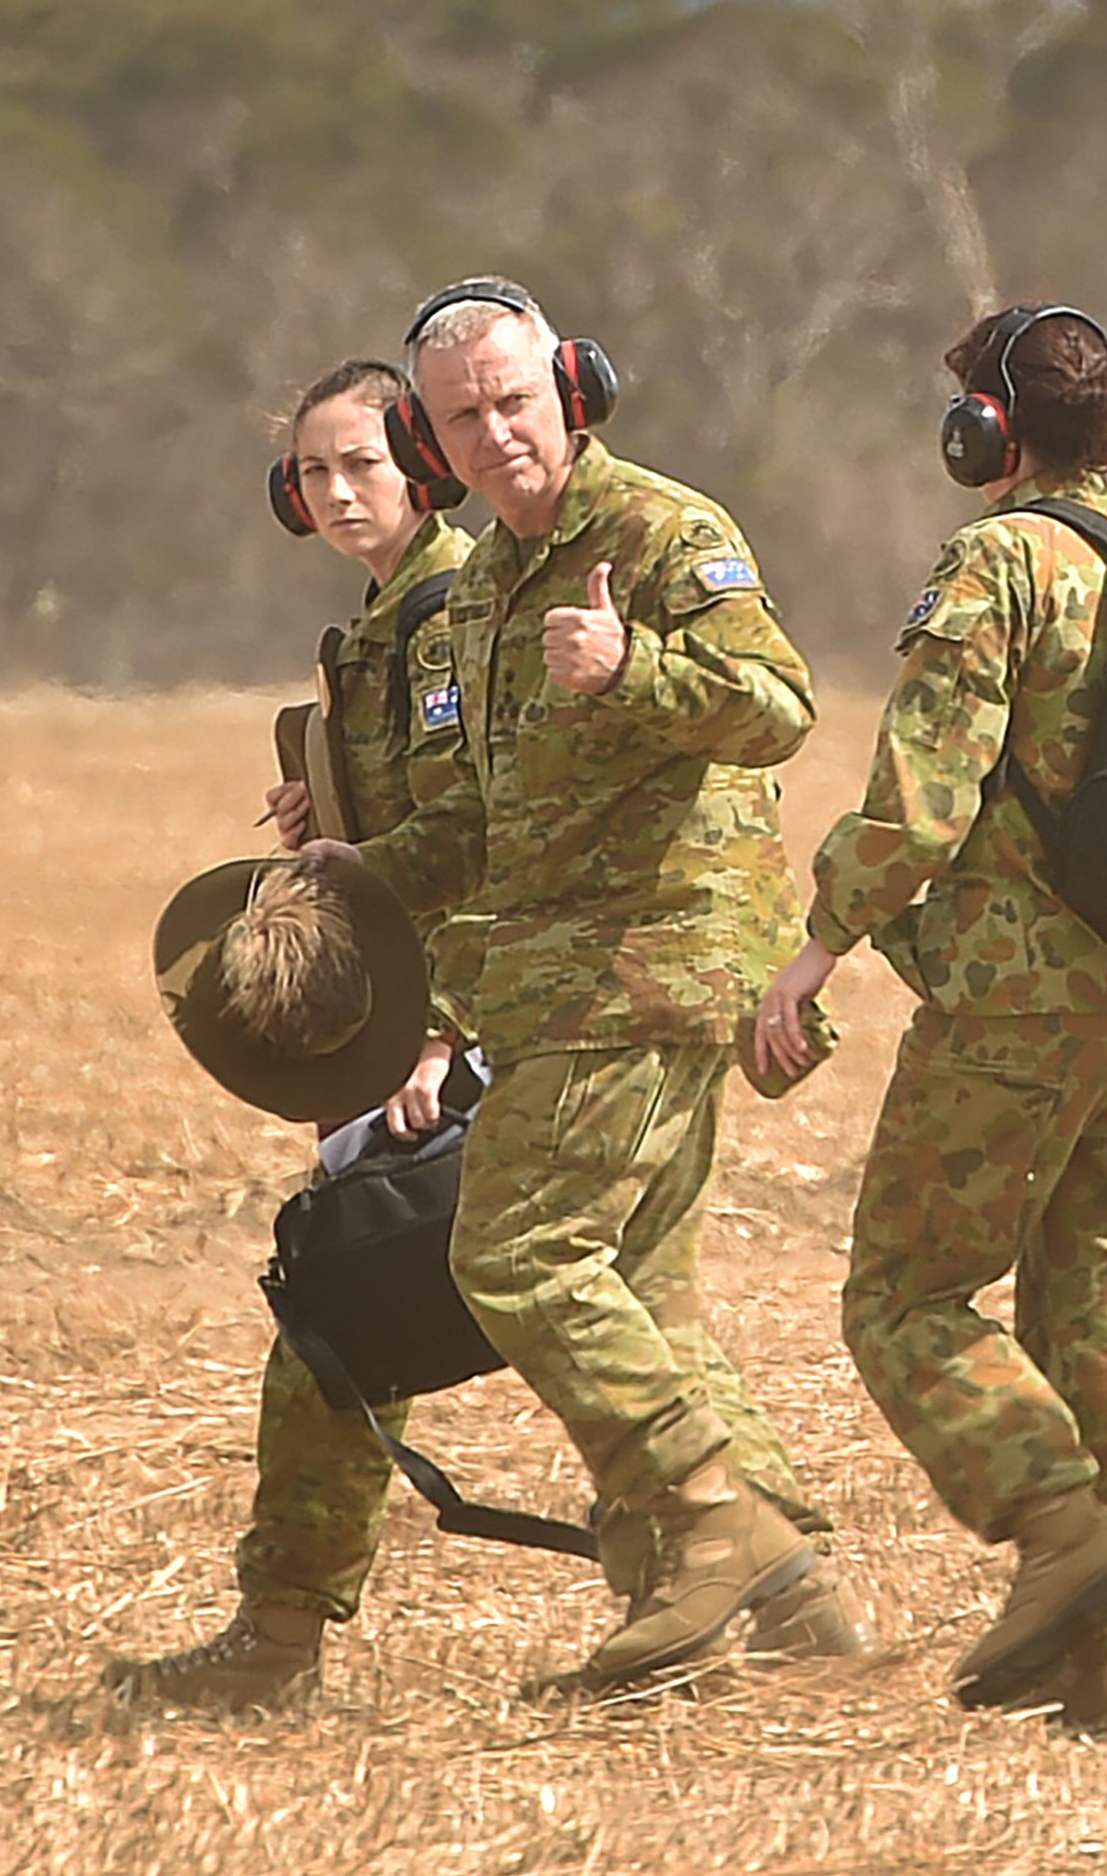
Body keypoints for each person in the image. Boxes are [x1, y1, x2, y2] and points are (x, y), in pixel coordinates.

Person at [306, 277, 853, 1695]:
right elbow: (482, 819)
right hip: (554, 968)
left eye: (514, 403)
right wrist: (346, 878)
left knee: (519, 1256)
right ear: (433, 444)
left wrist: (635, 670)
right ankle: (787, 1595)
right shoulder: (484, 586)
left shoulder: (661, 531)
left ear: (571, 389)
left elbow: (779, 707)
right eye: (462, 420)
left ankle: (710, 1526)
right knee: (642, 1294)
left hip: (649, 960)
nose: (497, 438)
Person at [754, 304, 1107, 1733]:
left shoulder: (999, 564)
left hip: (1022, 1002)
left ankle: (1063, 1531)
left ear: (984, 437)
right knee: (1097, 1315)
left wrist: (815, 947)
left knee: (904, 1296)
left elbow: (922, 802)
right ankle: (1098, 1664)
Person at [108, 358, 484, 1712]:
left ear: (421, 470)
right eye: (312, 473)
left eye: (360, 467)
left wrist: (436, 1042)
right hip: (425, 1018)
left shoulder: (448, 621)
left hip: (459, 1028)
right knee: (497, 1320)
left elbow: (476, 849)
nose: (333, 494)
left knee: (365, 1314)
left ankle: (277, 1643)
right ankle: (769, 1573)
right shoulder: (384, 628)